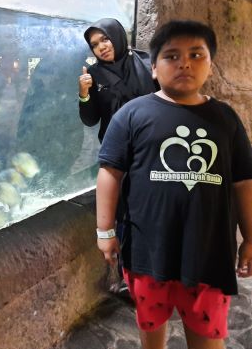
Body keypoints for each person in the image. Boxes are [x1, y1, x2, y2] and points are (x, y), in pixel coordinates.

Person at [96, 20, 252, 349]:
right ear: (153, 68)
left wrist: (250, 238)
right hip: (147, 253)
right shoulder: (131, 115)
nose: (184, 63)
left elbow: (243, 182)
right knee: (151, 328)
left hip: (209, 253)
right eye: (171, 56)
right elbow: (110, 172)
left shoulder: (226, 119)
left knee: (208, 336)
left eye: (196, 54)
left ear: (211, 64)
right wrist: (105, 231)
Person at [79, 18, 157, 143]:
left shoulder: (147, 63)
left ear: (116, 35)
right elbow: (90, 121)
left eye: (105, 39)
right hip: (115, 147)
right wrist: (83, 94)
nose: (101, 47)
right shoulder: (93, 74)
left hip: (150, 142)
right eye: (94, 45)